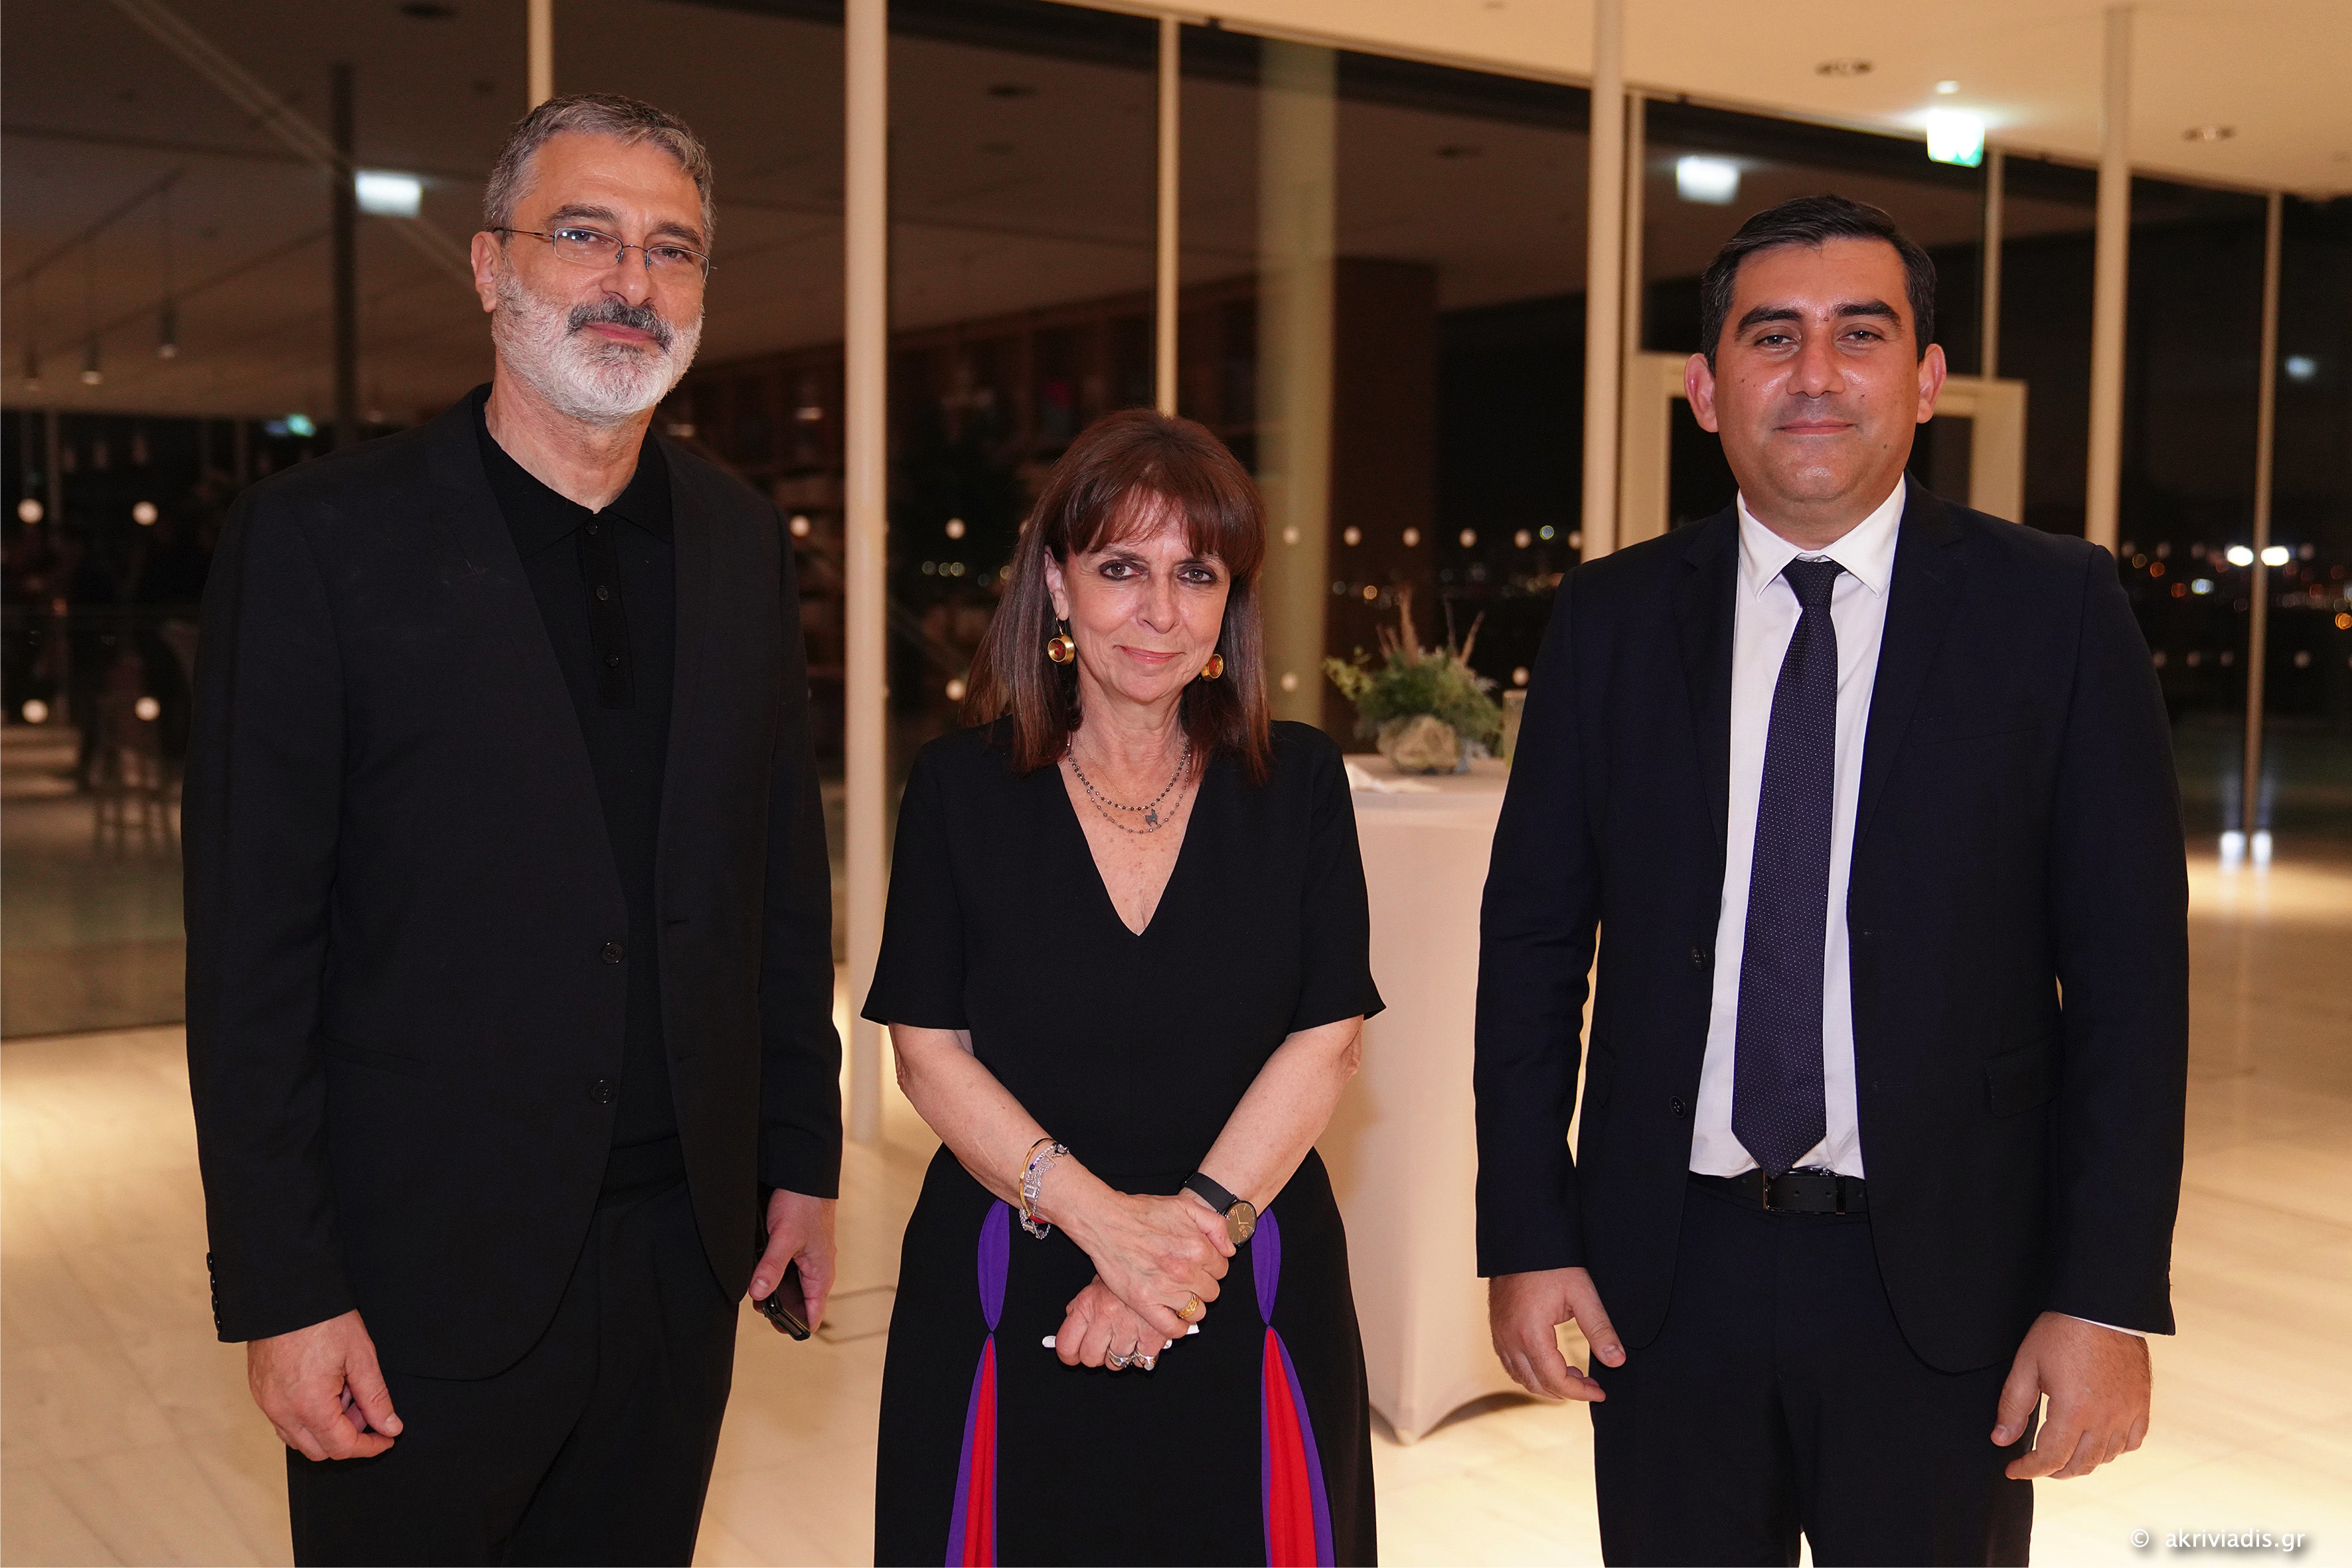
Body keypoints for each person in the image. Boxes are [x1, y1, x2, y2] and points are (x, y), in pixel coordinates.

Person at [1474, 195, 2188, 1565]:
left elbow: (2129, 985)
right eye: (1771, 337)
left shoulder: (2055, 611)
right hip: (1662, 1278)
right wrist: (1524, 1228)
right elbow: (1531, 948)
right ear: (1704, 389)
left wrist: (2102, 1296)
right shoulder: (1609, 617)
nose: (1814, 374)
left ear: (1926, 379)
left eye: (1860, 335)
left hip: (1946, 1286)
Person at [183, 94, 842, 1565]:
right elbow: (248, 952)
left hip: (681, 1250)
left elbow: (777, 879)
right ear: (490, 267)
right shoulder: (322, 540)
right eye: (585, 234)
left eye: (673, 249)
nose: (632, 280)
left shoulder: (738, 539)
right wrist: (286, 1288)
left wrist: (801, 1152)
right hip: (415, 1269)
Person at [864, 409, 1381, 1567]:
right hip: (1013, 1277)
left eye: (1195, 574)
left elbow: (1328, 1036)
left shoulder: (1298, 780)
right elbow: (928, 1049)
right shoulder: (958, 789)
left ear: (1229, 602)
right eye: (1120, 569)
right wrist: (1105, 1227)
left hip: (1246, 1269)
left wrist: (1176, 1249)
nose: (1160, 611)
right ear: (1057, 584)